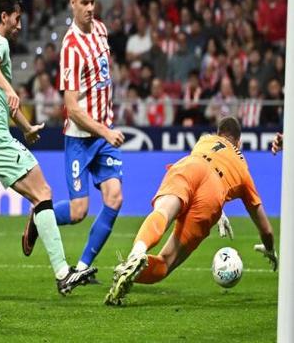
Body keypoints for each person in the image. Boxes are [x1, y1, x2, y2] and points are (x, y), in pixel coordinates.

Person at [0, 0, 96, 295]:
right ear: (4, 16)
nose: (19, 25)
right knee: (42, 192)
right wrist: (10, 89)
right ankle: (63, 273)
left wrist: (26, 127)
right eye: (17, 18)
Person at [105, 117, 277, 306]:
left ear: (219, 134)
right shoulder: (244, 171)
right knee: (165, 263)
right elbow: (266, 230)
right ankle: (129, 272)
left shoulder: (205, 140)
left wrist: (221, 214)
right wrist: (269, 248)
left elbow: (205, 169)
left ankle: (136, 253)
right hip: (212, 196)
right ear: (239, 142)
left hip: (190, 166)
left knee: (163, 212)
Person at [54, 0, 125, 280]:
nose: (90, 8)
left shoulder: (101, 30)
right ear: (72, 3)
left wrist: (106, 125)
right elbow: (71, 107)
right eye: (84, 3)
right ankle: (40, 215)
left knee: (115, 198)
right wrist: (106, 131)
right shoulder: (70, 47)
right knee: (78, 211)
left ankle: (82, 268)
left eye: (93, 1)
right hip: (80, 139)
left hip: (103, 132)